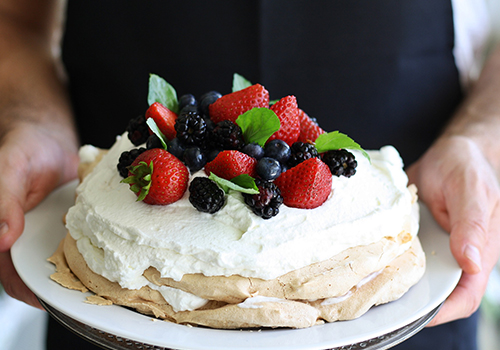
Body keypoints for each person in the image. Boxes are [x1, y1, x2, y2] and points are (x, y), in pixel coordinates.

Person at [0, 1, 499, 349]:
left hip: (402, 306)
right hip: (112, 309)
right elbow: (13, 18)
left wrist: (477, 141)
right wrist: (34, 121)